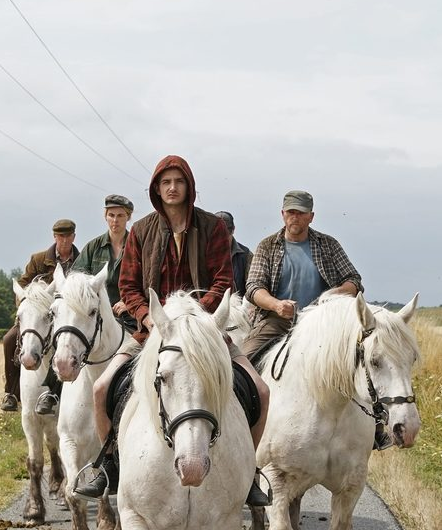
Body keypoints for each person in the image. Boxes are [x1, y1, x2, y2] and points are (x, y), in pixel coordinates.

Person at [73, 155, 270, 506]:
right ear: (156, 188)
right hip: (151, 333)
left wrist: (194, 318)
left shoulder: (213, 228)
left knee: (261, 391)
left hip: (205, 332)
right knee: (102, 388)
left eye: (178, 181)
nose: (172, 188)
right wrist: (147, 318)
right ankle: (110, 466)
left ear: (189, 186)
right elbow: (129, 286)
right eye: (166, 182)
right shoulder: (141, 231)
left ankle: (250, 473)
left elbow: (224, 280)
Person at [240, 190, 363, 364]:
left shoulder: (328, 244)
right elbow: (253, 288)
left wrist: (333, 296)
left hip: (323, 321)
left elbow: (354, 280)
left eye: (301, 213)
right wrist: (277, 305)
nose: (295, 217)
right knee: (244, 360)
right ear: (282, 214)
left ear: (311, 216)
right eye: (291, 212)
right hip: (278, 320)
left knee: (359, 358)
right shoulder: (267, 246)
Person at [0, 218, 80, 413]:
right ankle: (11, 393)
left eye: (68, 236)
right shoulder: (38, 259)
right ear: (55, 237)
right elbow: (23, 285)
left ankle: (58, 394)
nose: (65, 240)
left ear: (73, 237)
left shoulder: (81, 260)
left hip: (66, 317)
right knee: (9, 340)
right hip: (37, 317)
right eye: (61, 236)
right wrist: (32, 306)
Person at [74, 194, 135, 329]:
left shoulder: (138, 246)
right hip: (96, 319)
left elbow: (150, 281)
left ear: (128, 217)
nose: (115, 220)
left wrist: (130, 303)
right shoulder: (93, 247)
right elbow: (75, 279)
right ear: (105, 217)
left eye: (120, 215)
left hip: (131, 319)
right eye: (111, 215)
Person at [217, 210, 252, 296]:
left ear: (233, 230)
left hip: (238, 306)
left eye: (226, 233)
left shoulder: (246, 255)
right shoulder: (202, 254)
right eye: (218, 234)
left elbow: (252, 286)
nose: (222, 239)